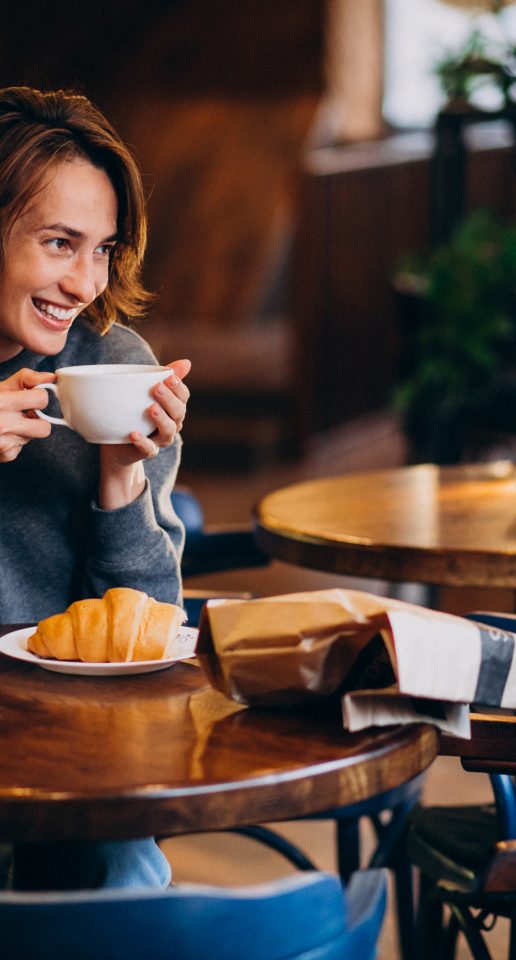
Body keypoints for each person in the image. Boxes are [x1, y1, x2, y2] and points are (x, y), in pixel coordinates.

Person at [0, 86, 191, 889]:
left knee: (123, 878)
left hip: (73, 750)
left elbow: (147, 634)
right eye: (58, 243)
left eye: (102, 250)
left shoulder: (113, 368)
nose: (84, 282)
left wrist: (124, 481)